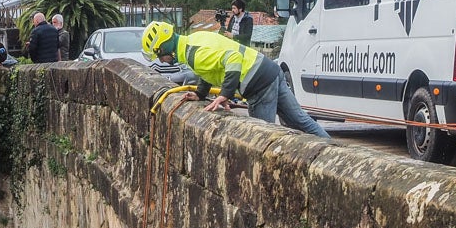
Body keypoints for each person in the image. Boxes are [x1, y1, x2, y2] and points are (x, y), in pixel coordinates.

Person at [141, 20, 329, 140]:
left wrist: (225, 95)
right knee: (300, 121)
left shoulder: (194, 55)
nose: (160, 61)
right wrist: (200, 93)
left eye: (159, 55)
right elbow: (209, 69)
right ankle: (331, 148)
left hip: (258, 84)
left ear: (164, 48)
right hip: (270, 70)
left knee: (261, 138)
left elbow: (232, 59)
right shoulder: (193, 40)